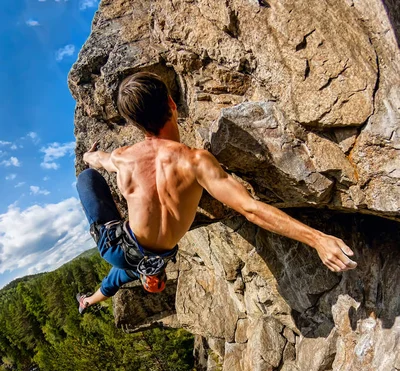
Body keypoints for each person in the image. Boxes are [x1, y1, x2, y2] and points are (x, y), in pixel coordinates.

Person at [76, 72, 357, 313]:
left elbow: (100, 161)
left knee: (87, 179)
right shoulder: (195, 162)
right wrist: (318, 239)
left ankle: (101, 294)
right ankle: (147, 272)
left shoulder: (124, 158)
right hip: (157, 254)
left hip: (118, 248)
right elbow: (249, 209)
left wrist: (89, 159)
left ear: (135, 124)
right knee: (123, 271)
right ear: (172, 104)